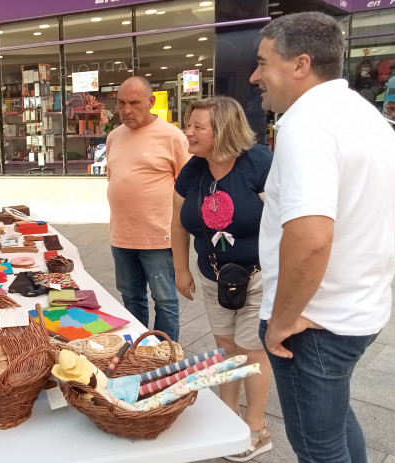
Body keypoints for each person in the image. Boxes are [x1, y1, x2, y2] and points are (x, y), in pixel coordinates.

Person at [250, 12, 395, 462]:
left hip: (314, 323)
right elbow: (392, 201)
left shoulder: (306, 125)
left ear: (299, 64)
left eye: (263, 62)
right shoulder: (365, 116)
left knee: (318, 448)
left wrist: (282, 319)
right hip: (359, 309)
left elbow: (311, 237)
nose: (255, 75)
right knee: (335, 425)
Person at [171, 97, 273, 461]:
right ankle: (228, 419)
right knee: (227, 348)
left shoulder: (259, 163)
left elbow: (285, 222)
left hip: (258, 276)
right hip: (213, 278)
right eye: (189, 125)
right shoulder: (194, 169)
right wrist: (181, 268)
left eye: (198, 127)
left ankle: (256, 426)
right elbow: (177, 221)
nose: (189, 132)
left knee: (251, 348)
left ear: (224, 130)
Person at [106, 76, 191, 341]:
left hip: (159, 237)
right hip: (121, 236)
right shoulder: (113, 137)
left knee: (165, 300)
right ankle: (136, 353)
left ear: (151, 102)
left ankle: (163, 357)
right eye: (121, 103)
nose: (126, 110)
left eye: (134, 103)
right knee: (131, 298)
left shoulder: (173, 137)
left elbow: (186, 188)